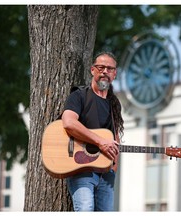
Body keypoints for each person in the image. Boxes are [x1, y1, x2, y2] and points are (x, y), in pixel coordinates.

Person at [61, 51, 124, 211]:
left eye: (109, 69)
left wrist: (114, 166)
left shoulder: (114, 104)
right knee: (85, 209)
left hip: (106, 172)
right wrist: (99, 141)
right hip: (82, 168)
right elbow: (68, 123)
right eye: (101, 67)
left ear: (114, 74)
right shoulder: (79, 96)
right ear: (92, 70)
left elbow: (114, 137)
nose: (105, 72)